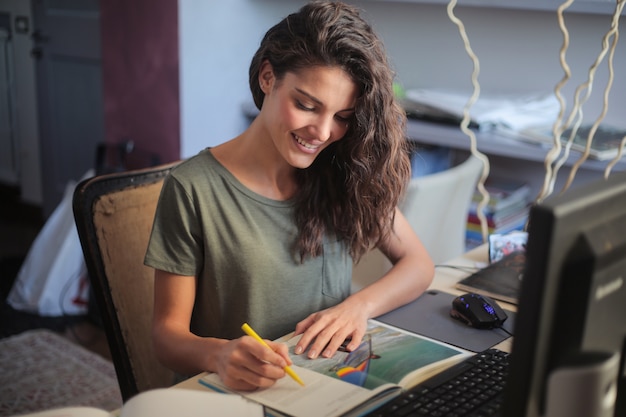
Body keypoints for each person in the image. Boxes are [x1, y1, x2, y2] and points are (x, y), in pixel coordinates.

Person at [145, 0, 434, 391]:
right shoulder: (193, 189)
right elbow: (166, 337)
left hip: (331, 383)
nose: (322, 132)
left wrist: (357, 307)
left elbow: (418, 265)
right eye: (306, 106)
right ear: (268, 77)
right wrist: (218, 354)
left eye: (342, 117)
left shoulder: (341, 171)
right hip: (238, 394)